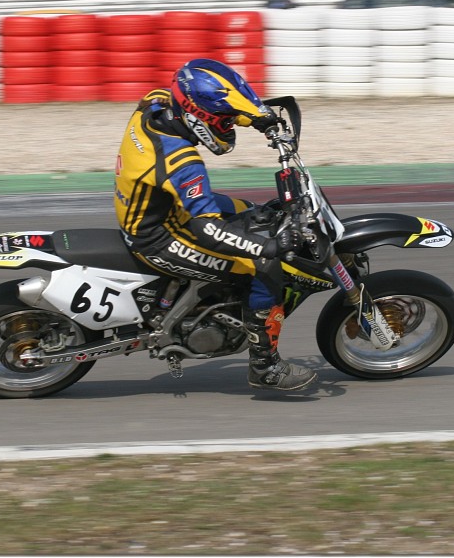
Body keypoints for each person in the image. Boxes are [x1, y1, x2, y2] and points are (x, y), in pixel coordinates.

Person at [113, 58, 317, 391]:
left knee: (257, 212)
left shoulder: (156, 102)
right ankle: (264, 366)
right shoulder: (182, 163)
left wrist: (256, 116)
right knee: (264, 264)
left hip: (155, 207)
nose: (228, 128)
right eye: (224, 123)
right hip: (158, 235)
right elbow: (207, 230)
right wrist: (269, 247)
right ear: (198, 119)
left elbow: (211, 101)